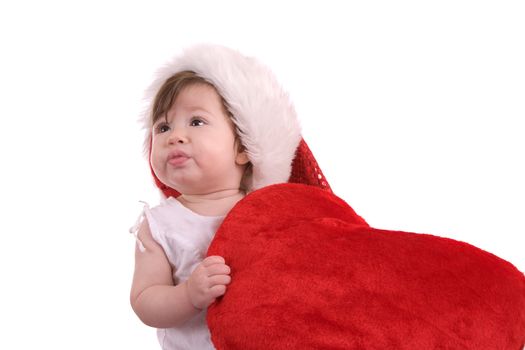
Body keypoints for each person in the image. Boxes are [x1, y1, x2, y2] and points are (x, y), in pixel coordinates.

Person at [129, 44, 302, 349]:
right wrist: (187, 295)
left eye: (196, 121)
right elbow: (145, 300)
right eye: (163, 126)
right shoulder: (159, 225)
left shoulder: (268, 211)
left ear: (243, 148)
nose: (175, 136)